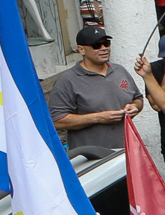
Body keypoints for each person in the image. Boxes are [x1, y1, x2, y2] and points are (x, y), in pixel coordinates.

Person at [44, 26, 143, 156]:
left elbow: (138, 98)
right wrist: (98, 118)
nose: (104, 48)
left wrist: (134, 106)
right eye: (96, 45)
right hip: (92, 158)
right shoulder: (68, 80)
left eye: (106, 43)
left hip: (128, 153)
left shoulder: (119, 71)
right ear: (81, 49)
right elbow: (57, 120)